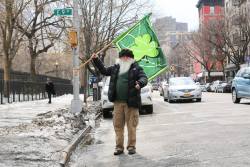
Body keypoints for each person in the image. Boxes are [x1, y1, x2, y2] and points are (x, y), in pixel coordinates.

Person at [92, 49, 148, 155]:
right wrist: (96, 60)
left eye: (127, 57)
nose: (125, 59)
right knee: (118, 125)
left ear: (131, 58)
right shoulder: (115, 68)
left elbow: (144, 78)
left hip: (131, 103)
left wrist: (140, 83)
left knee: (131, 125)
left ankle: (131, 147)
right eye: (123, 57)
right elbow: (103, 70)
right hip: (118, 102)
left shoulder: (136, 68)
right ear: (120, 58)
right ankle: (119, 147)